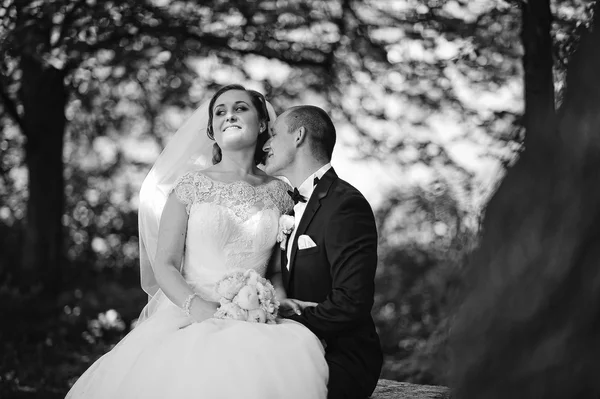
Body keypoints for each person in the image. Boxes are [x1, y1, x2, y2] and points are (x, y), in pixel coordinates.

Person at [65, 85, 328, 398]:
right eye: (220, 112)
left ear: (261, 125)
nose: (229, 114)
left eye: (241, 108)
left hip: (255, 318)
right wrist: (197, 307)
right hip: (189, 312)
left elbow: (276, 271)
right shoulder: (190, 187)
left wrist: (272, 304)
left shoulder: (282, 194)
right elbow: (164, 263)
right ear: (212, 131)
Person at [262, 105, 383, 399]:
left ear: (299, 136)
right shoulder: (286, 206)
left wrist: (284, 326)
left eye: (274, 134)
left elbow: (351, 302)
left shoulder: (345, 204)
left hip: (341, 358)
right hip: (294, 348)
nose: (265, 144)